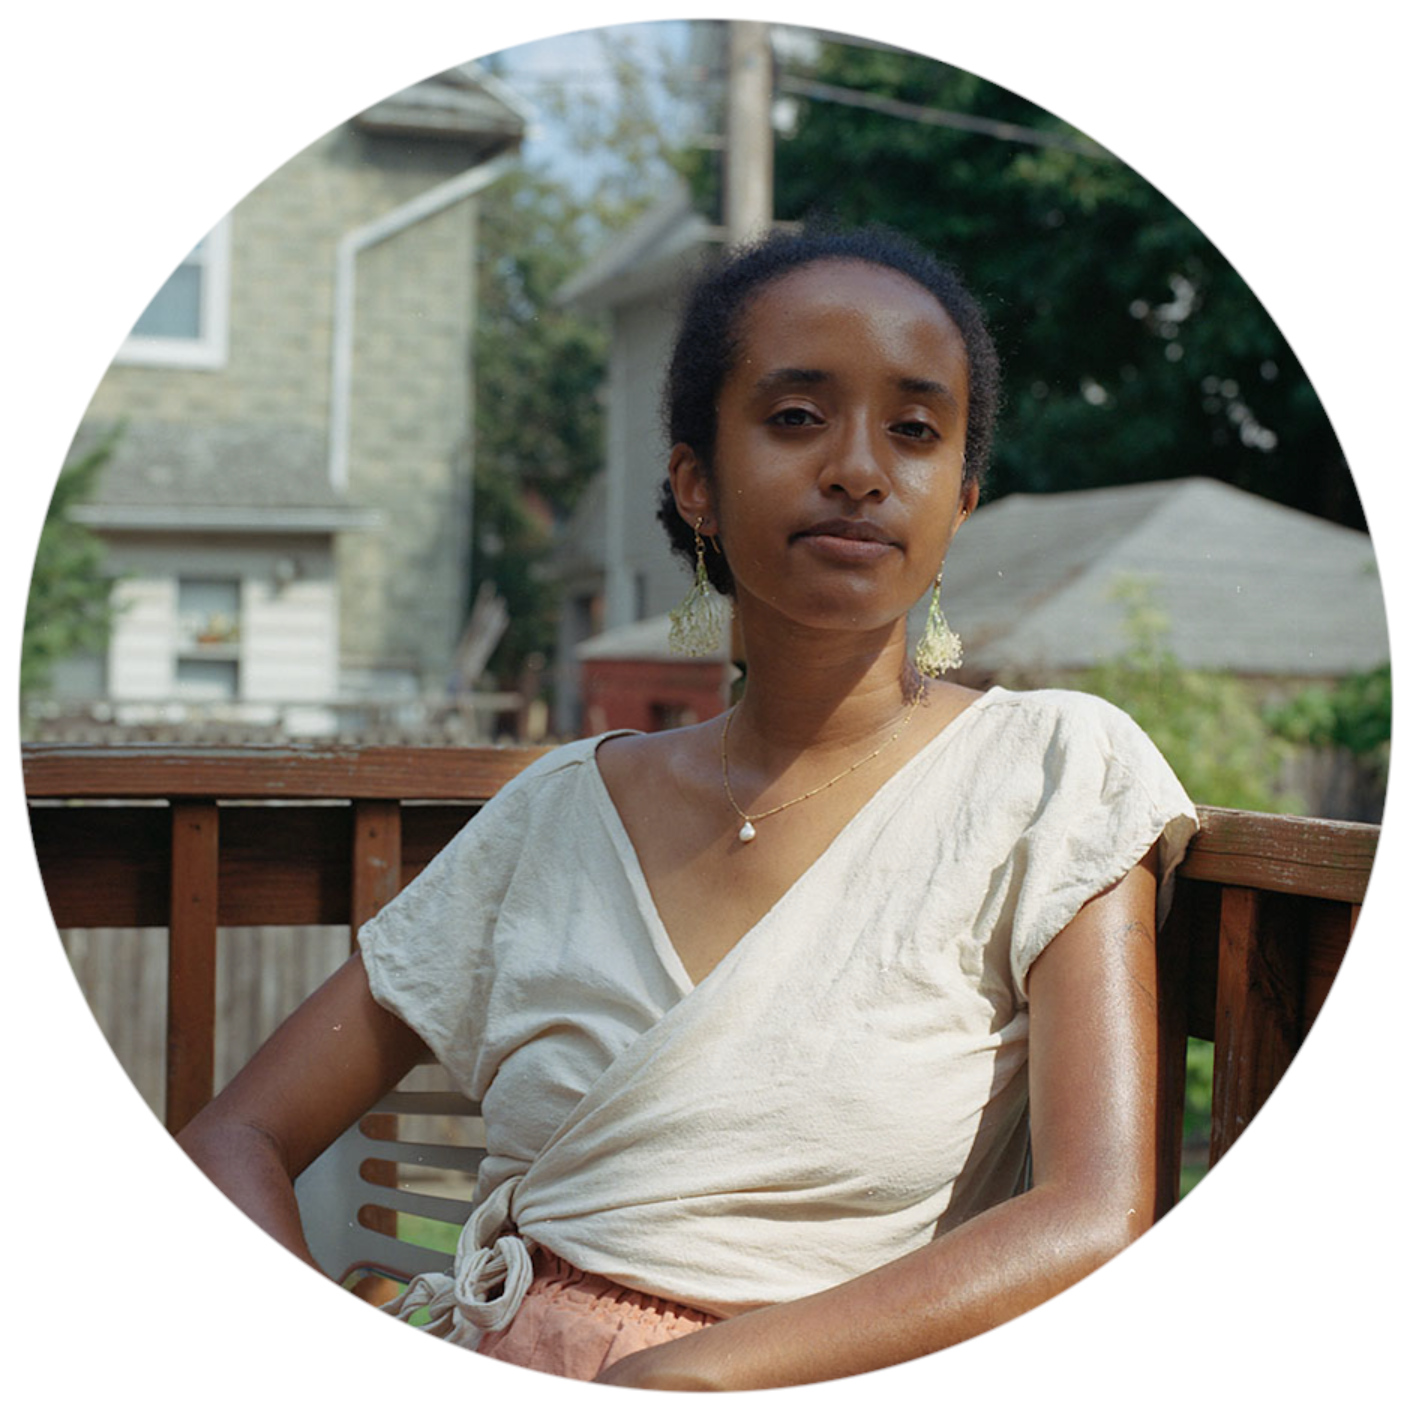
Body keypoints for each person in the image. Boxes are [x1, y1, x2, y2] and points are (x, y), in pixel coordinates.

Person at [178, 227, 1198, 1391]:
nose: (860, 467)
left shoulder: (1050, 773)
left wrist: (687, 1377)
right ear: (694, 482)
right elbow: (233, 1136)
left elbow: (1091, 1215)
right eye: (797, 417)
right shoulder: (559, 814)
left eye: (914, 429)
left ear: (960, 501)